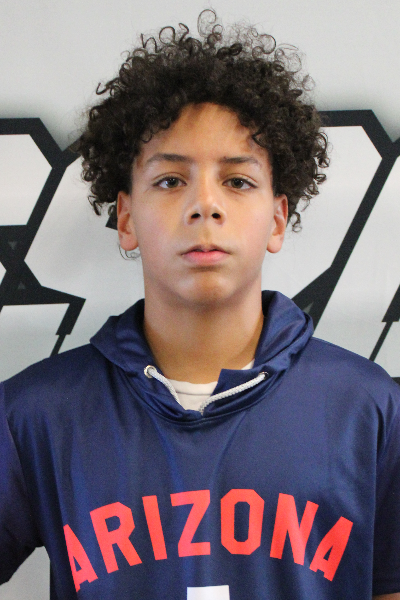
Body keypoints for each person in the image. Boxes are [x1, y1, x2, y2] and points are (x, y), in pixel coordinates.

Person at [1, 10, 399, 600]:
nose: (204, 205)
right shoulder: (35, 415)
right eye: (170, 181)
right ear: (127, 218)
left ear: (277, 219)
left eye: (237, 181)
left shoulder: (368, 409)